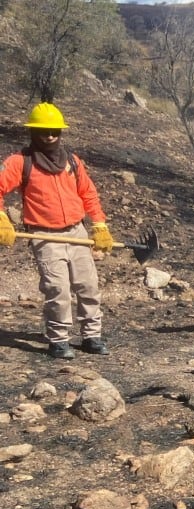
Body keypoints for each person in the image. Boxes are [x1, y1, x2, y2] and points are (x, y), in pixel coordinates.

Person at [0, 102, 114, 359]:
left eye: (55, 131)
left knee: (88, 286)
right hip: (44, 236)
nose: (50, 135)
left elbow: (89, 194)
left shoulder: (72, 162)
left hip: (77, 232)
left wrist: (99, 225)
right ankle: (59, 340)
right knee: (57, 289)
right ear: (32, 132)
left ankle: (91, 336)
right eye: (44, 131)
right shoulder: (20, 162)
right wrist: (1, 219)